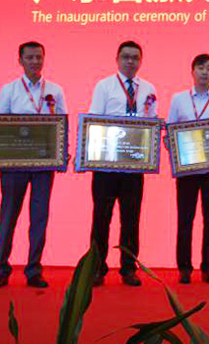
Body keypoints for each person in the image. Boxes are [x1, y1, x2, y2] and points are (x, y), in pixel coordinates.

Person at [0, 41, 67, 289]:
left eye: (39, 57)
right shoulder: (8, 90)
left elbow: (62, 123)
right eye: (30, 57)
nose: (35, 61)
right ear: (20, 61)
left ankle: (34, 271)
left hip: (44, 164)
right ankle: (0, 269)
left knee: (39, 218)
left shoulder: (55, 90)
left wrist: (64, 154)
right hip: (14, 165)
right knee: (8, 216)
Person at [88, 40, 157, 287]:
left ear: (141, 61)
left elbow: (151, 123)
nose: (130, 61)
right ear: (117, 59)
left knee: (131, 219)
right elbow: (93, 120)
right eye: (126, 57)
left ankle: (128, 268)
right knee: (101, 218)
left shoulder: (148, 88)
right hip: (106, 166)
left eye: (135, 57)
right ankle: (96, 268)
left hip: (134, 166)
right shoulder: (104, 86)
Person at [166, 54, 209, 284]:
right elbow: (170, 131)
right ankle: (184, 268)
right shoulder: (179, 99)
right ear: (192, 71)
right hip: (187, 171)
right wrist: (175, 150)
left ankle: (208, 267)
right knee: (185, 219)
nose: (205, 72)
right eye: (201, 68)